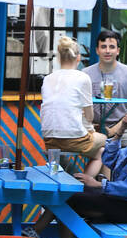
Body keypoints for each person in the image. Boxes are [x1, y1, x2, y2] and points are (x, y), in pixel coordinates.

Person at [65, 97, 127, 224]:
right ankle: (40, 234)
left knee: (70, 198)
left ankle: (41, 235)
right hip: (118, 199)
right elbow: (110, 160)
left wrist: (97, 184)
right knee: (68, 192)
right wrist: (120, 131)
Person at [41, 35, 106, 177]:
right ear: (78, 58)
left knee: (95, 148)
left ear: (58, 58)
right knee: (105, 146)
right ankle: (87, 185)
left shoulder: (47, 79)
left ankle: (72, 181)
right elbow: (89, 117)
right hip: (74, 140)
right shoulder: (82, 77)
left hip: (49, 140)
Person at [84, 28, 127, 145]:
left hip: (124, 128)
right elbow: (79, 107)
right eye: (103, 47)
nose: (107, 51)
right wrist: (90, 127)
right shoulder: (85, 74)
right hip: (91, 129)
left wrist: (115, 130)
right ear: (97, 50)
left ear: (118, 51)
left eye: (111, 47)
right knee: (68, 148)